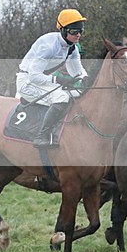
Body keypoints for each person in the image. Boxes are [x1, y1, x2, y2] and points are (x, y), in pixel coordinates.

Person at [16, 9, 89, 148]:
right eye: (74, 31)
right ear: (63, 30)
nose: (78, 35)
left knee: (78, 93)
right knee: (61, 97)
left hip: (43, 81)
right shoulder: (48, 47)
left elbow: (78, 71)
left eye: (81, 31)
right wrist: (59, 80)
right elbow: (34, 76)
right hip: (27, 82)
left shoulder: (72, 48)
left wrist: (86, 80)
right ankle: (41, 136)